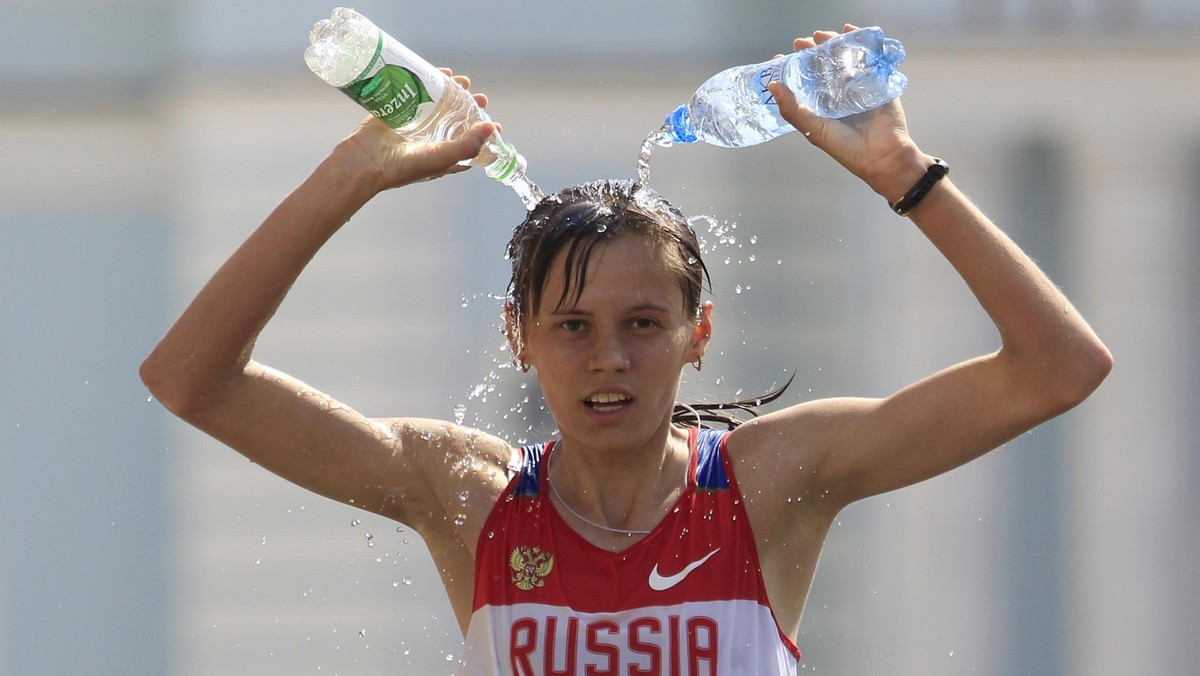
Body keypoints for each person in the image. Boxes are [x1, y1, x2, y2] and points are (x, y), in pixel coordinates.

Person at [140, 26, 1112, 676]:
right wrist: (346, 177)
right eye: (572, 327)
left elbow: (1058, 368)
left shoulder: (772, 480)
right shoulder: (466, 491)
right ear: (519, 339)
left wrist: (907, 174)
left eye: (643, 324)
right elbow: (190, 381)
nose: (609, 358)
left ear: (698, 337)